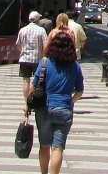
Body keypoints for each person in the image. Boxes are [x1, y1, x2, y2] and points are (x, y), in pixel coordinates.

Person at [28, 32, 84, 174]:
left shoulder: (45, 63)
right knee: (57, 148)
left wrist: (27, 105)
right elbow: (80, 91)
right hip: (64, 109)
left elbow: (33, 86)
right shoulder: (75, 66)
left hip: (44, 108)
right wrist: (71, 102)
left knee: (44, 146)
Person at [17, 11, 47, 99]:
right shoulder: (41, 30)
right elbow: (45, 46)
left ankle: (27, 101)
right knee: (38, 81)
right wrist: (44, 57)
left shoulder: (22, 30)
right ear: (37, 20)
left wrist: (23, 51)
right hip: (37, 60)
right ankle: (36, 101)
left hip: (24, 59)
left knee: (25, 80)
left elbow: (18, 44)